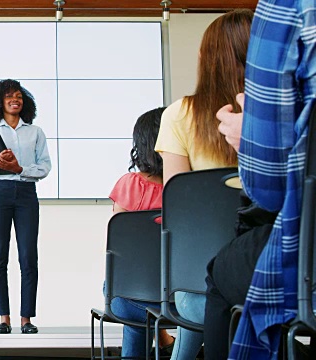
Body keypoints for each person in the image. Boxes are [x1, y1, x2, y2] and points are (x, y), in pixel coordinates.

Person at [204, 0, 316, 357]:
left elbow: (270, 189)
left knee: (219, 275)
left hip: (304, 245)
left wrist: (250, 139)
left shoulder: (287, 11)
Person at [153, 9, 253, 359]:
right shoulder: (288, 112)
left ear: (204, 59)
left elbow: (177, 204)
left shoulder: (178, 115)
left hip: (197, 289)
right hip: (291, 280)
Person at [0, 79, 51, 334]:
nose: (15, 99)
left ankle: (26, 319)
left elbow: (45, 167)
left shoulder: (35, 131)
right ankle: (3, 318)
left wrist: (20, 169)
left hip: (27, 193)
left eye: (18, 96)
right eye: (9, 96)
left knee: (28, 257)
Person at [106, 107, 176, 357]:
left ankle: (163, 339)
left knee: (132, 303)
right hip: (181, 299)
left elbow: (120, 249)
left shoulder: (129, 185)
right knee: (145, 303)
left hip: (128, 297)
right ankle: (166, 339)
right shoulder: (189, 187)